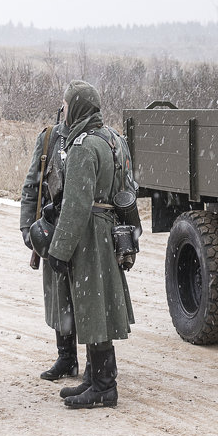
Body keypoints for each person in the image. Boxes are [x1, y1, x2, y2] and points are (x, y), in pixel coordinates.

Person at [40, 81, 136, 409]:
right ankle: (95, 380)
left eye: (65, 105)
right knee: (100, 304)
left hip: (90, 233)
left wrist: (59, 250)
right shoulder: (114, 139)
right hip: (110, 229)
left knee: (93, 306)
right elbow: (128, 188)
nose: (62, 111)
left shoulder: (82, 146)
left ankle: (104, 387)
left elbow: (76, 205)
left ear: (76, 107)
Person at [19, 116, 78, 381]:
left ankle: (98, 360)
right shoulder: (50, 138)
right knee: (58, 295)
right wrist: (26, 227)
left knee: (87, 295)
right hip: (53, 226)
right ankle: (66, 358)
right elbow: (33, 184)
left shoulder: (96, 136)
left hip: (85, 226)